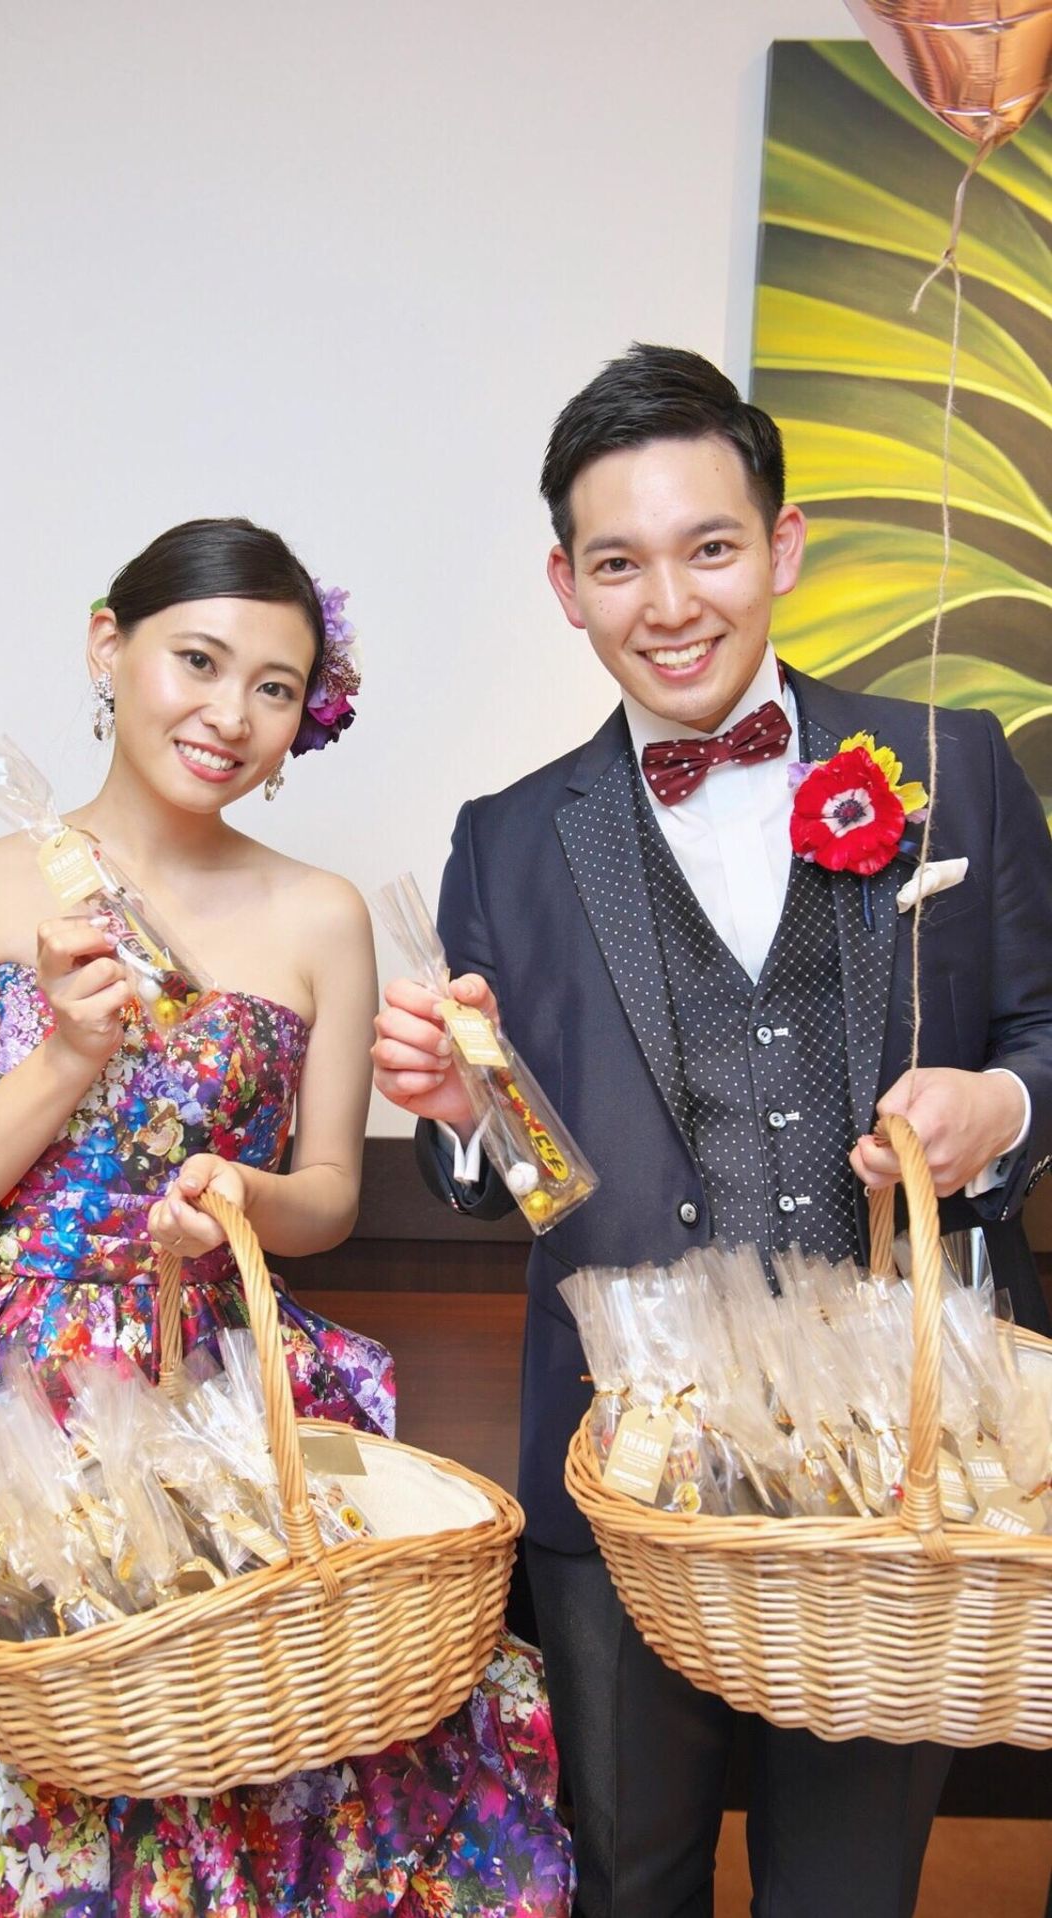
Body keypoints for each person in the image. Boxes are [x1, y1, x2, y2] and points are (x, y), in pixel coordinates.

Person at [0, 517, 573, 1915]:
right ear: (109, 645)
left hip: (216, 1378)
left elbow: (329, 1197)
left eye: (274, 686)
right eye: (197, 660)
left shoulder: (322, 914)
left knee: (261, 1738)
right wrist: (65, 1058)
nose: (230, 714)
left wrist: (243, 1196)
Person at [372, 347, 1052, 1918]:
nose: (670, 602)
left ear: (783, 546)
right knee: (630, 1880)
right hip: (622, 1465)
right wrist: (470, 1119)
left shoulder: (955, 764)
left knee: (847, 1893)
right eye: (619, 562)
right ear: (566, 586)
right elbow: (498, 1173)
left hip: (901, 1468)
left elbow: (1042, 1030)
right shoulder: (506, 838)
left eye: (711, 546)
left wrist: (997, 1107)